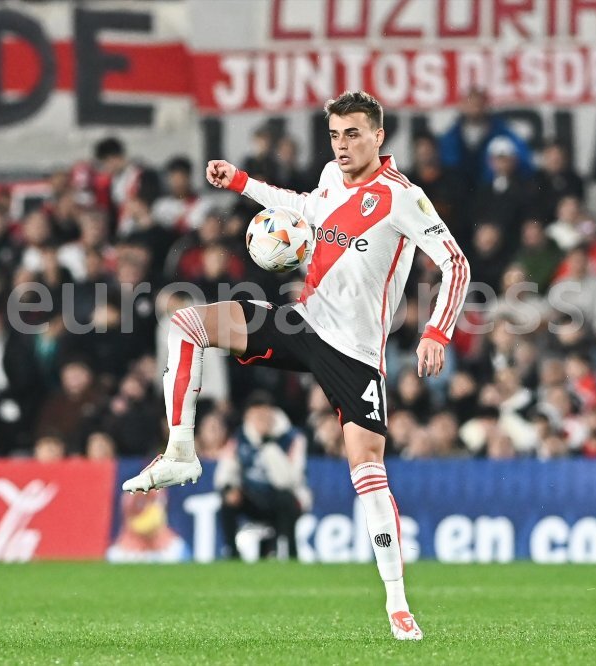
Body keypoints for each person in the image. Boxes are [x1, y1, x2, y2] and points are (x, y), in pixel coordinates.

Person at [122, 90, 471, 641]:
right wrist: (241, 182)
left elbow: (456, 263)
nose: (342, 145)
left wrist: (436, 332)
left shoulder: (403, 198)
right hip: (303, 321)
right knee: (187, 324)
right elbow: (303, 206)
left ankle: (398, 604)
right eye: (334, 135)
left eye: (353, 134)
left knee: (368, 471)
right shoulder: (332, 176)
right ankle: (180, 452)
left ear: (378, 136)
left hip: (355, 353)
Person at [214, 393, 308, 561]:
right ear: (248, 417)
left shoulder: (292, 438)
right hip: (253, 497)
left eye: (265, 416)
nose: (261, 421)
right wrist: (229, 488)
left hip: (284, 498)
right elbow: (225, 472)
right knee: (228, 500)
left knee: (285, 499)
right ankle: (232, 554)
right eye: (257, 417)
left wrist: (268, 445)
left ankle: (291, 553)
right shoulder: (239, 438)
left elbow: (289, 481)